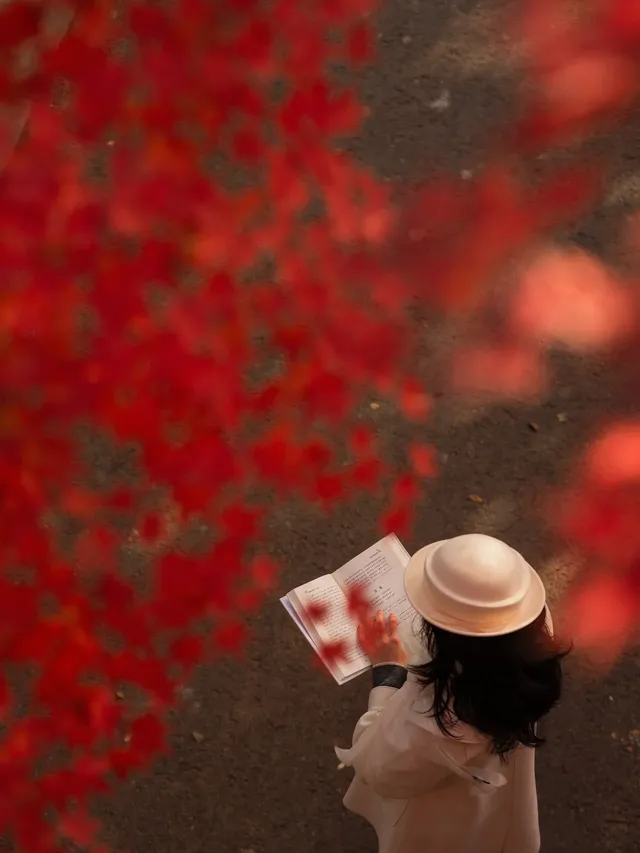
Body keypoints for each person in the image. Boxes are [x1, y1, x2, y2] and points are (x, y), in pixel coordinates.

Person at [335, 533, 568, 853]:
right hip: (498, 811)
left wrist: (388, 669)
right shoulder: (529, 633)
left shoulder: (434, 723)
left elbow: (377, 768)